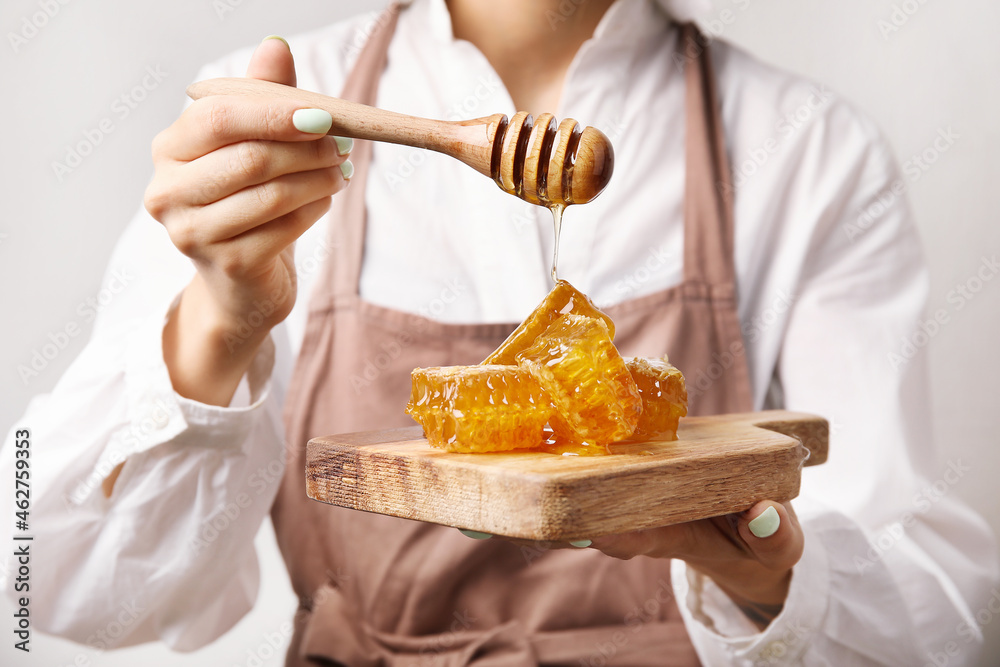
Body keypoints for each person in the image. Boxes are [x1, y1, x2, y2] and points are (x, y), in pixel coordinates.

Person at [3, 0, 997, 664]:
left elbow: (940, 625)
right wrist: (218, 323)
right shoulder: (269, 122)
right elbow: (39, 575)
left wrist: (764, 567)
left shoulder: (808, 149)